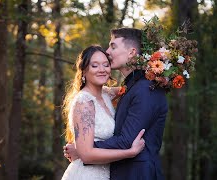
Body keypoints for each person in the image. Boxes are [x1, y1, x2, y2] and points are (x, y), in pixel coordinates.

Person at [64, 28, 168, 180]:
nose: (108, 51)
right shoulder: (129, 88)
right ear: (84, 71)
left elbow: (127, 140)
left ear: (132, 52)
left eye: (113, 46)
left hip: (138, 173)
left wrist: (80, 150)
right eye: (94, 65)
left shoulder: (145, 88)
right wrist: (83, 150)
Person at [61, 45, 146, 180]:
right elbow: (87, 155)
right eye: (95, 66)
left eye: (106, 65)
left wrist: (156, 68)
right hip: (86, 175)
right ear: (84, 71)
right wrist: (129, 152)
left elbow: (132, 87)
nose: (102, 70)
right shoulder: (84, 102)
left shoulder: (106, 94)